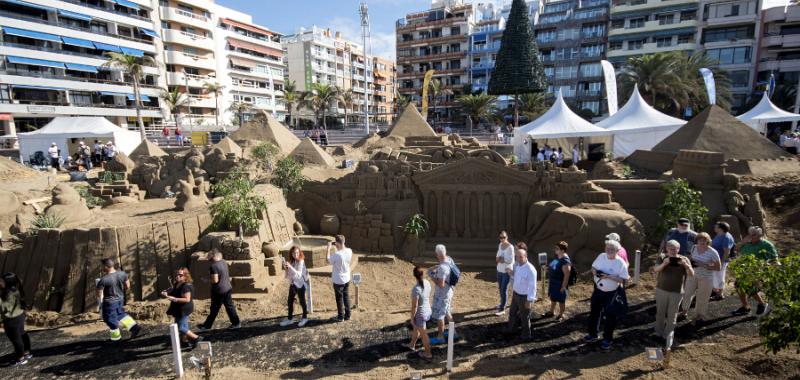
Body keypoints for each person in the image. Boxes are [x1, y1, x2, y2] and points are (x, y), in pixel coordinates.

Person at [650, 240, 694, 358]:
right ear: (667, 249)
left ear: (678, 249)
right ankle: (658, 332)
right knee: (660, 312)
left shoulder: (684, 259)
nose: (673, 251)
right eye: (670, 248)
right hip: (661, 290)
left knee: (672, 314)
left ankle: (668, 334)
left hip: (677, 292)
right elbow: (655, 270)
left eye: (675, 249)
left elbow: (691, 274)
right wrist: (664, 263)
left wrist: (686, 265)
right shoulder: (662, 257)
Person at [585, 240, 630, 350]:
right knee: (594, 313)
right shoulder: (601, 256)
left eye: (612, 249)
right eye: (607, 248)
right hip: (598, 290)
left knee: (610, 316)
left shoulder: (620, 263)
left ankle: (607, 339)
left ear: (617, 251)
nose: (608, 250)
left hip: (612, 294)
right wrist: (596, 272)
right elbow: (593, 268)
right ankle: (593, 334)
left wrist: (609, 276)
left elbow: (624, 279)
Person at [732, 226, 778, 316]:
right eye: (750, 234)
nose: (751, 237)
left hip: (757, 271)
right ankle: (745, 307)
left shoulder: (767, 245)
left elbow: (775, 260)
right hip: (743, 270)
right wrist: (743, 242)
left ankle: (762, 304)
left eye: (754, 235)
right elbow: (735, 249)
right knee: (739, 286)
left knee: (750, 288)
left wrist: (767, 268)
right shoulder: (746, 243)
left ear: (760, 235)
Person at [678, 232, 720, 325]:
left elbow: (718, 267)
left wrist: (704, 265)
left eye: (704, 240)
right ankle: (684, 312)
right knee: (687, 294)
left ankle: (699, 316)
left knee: (702, 298)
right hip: (692, 275)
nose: (702, 241)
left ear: (708, 241)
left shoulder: (713, 252)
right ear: (697, 240)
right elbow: (691, 258)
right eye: (700, 239)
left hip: (706, 278)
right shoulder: (694, 248)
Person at [96, 258, 141, 341]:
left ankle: (116, 338)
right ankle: (134, 327)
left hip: (109, 302)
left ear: (106, 267)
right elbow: (127, 286)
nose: (101, 268)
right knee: (120, 314)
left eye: (102, 266)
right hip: (120, 299)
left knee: (109, 319)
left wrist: (101, 304)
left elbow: (99, 295)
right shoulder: (122, 274)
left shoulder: (103, 280)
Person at [197, 249, 241, 331]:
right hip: (227, 288)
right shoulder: (223, 262)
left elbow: (215, 280)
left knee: (214, 308)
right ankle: (236, 323)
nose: (207, 257)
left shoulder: (213, 266)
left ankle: (206, 326)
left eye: (209, 255)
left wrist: (206, 280)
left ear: (213, 256)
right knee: (229, 306)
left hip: (219, 291)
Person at [162, 267, 202, 349]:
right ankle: (184, 342)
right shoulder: (177, 283)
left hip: (184, 309)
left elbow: (187, 299)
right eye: (177, 274)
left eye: (180, 275)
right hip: (178, 308)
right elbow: (174, 291)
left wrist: (174, 299)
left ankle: (197, 338)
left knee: (180, 327)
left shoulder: (186, 286)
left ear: (185, 276)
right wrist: (166, 292)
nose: (177, 276)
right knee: (182, 325)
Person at [0, 273, 32, 366]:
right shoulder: (15, 289)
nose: (0, 282)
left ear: (7, 282)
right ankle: (27, 353)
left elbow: (4, 308)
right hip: (20, 315)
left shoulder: (8, 294)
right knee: (22, 334)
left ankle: (21, 358)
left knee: (16, 339)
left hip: (12, 320)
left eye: (2, 281)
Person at [507, 248, 537, 340]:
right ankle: (512, 330)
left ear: (525, 257)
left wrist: (529, 300)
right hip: (516, 295)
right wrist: (510, 273)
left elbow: (533, 286)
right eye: (517, 257)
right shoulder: (518, 266)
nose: (518, 259)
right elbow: (516, 277)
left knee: (525, 317)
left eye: (520, 257)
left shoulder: (531, 270)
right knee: (512, 313)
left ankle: (526, 335)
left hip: (524, 297)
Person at [429, 244, 455, 345]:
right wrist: (437, 267)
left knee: (440, 315)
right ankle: (454, 332)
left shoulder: (442, 268)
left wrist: (432, 276)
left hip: (444, 294)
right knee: (447, 311)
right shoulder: (449, 259)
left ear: (437, 254)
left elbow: (441, 284)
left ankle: (440, 337)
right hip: (450, 290)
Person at [405, 266, 433, 360]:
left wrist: (412, 318)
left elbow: (414, 306)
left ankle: (428, 353)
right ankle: (412, 345)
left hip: (421, 313)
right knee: (416, 328)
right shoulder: (427, 282)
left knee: (423, 334)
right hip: (427, 310)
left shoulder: (415, 289)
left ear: (414, 276)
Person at [280, 246, 309, 327]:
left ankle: (305, 318)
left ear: (299, 252)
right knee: (290, 301)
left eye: (297, 252)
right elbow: (287, 276)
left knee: (302, 301)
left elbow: (299, 274)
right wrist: (286, 269)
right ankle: (290, 319)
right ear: (291, 254)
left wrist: (290, 267)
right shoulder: (292, 262)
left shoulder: (301, 261)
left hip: (301, 283)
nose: (295, 254)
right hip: (293, 283)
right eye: (293, 253)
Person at [327, 235, 352, 322]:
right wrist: (337, 246)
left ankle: (340, 317)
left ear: (337, 243)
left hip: (338, 280)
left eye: (336, 243)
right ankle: (348, 315)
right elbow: (343, 251)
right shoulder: (349, 251)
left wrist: (328, 248)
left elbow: (328, 260)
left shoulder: (337, 254)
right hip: (347, 278)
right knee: (346, 296)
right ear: (344, 241)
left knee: (339, 298)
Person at [544, 241, 572, 321]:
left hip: (560, 284)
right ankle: (551, 311)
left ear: (563, 250)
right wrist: (548, 269)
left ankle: (561, 315)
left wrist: (563, 287)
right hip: (553, 283)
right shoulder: (558, 256)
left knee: (561, 301)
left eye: (557, 248)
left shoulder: (565, 261)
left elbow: (567, 275)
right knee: (553, 298)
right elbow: (553, 266)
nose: (555, 249)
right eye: (555, 248)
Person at [711, 222, 735, 301]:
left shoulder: (726, 237)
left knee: (720, 276)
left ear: (721, 229)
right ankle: (715, 291)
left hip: (722, 260)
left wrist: (721, 262)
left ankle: (720, 294)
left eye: (716, 227)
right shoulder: (719, 234)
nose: (714, 227)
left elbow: (726, 252)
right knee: (714, 275)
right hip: (715, 259)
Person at [495, 231, 515, 316]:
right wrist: (501, 259)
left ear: (507, 237)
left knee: (504, 289)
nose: (502, 239)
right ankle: (502, 303)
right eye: (500, 237)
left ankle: (502, 308)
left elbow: (510, 260)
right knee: (501, 288)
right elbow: (497, 258)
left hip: (506, 271)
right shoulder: (500, 245)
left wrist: (501, 259)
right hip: (499, 270)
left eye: (504, 237)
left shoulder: (510, 247)